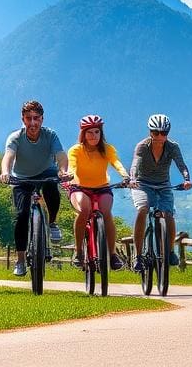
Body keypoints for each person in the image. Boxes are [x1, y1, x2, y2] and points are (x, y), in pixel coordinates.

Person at [0, 100, 69, 277]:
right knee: (21, 215)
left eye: (36, 118)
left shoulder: (50, 135)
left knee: (52, 185)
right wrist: (5, 173)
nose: (32, 123)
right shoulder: (15, 137)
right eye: (28, 118)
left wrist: (63, 171)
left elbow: (61, 156)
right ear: (23, 119)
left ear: (42, 119)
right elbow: (8, 156)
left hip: (46, 172)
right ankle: (21, 260)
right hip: (22, 178)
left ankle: (52, 223)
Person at [66, 114, 130, 271]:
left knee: (106, 212)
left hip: (102, 187)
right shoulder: (76, 150)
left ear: (101, 133)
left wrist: (125, 175)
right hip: (79, 187)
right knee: (84, 210)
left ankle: (113, 255)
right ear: (83, 134)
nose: (93, 136)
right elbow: (72, 166)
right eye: (89, 132)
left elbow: (116, 162)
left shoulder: (107, 149)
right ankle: (79, 251)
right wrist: (70, 174)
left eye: (96, 132)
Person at [130, 114, 192, 271]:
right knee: (142, 209)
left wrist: (187, 179)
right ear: (150, 132)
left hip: (164, 185)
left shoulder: (172, 147)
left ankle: (170, 251)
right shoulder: (142, 146)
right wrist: (132, 179)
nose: (159, 136)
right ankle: (138, 256)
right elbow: (135, 165)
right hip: (142, 183)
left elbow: (182, 165)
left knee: (169, 214)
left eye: (163, 133)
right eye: (155, 132)